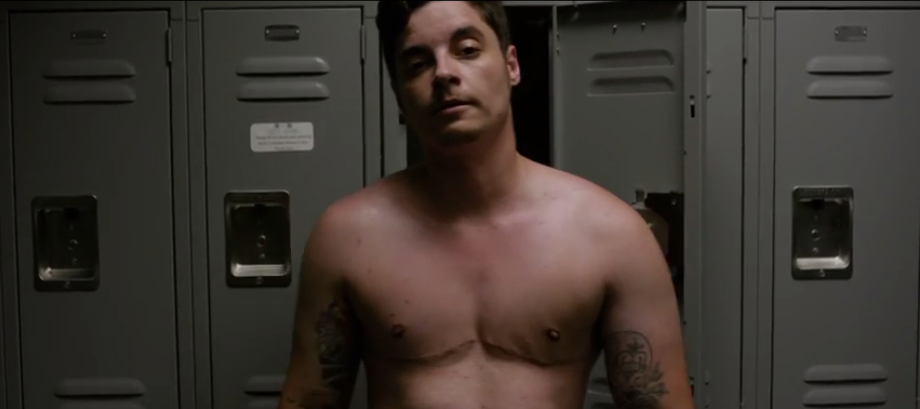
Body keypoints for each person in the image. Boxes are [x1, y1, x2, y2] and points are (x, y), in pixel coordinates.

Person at [277, 1, 695, 408]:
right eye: (418, 64)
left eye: (467, 50)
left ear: (512, 65)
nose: (443, 73)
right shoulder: (348, 238)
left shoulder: (611, 235)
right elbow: (310, 398)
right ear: (399, 97)